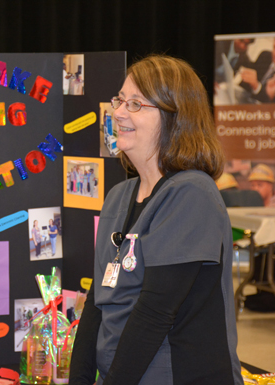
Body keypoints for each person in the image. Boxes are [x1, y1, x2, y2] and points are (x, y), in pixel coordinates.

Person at [69, 55, 243, 384]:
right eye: (120, 100)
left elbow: (155, 313)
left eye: (135, 104)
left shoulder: (191, 194)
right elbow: (97, 301)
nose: (118, 112)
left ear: (174, 117)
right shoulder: (119, 197)